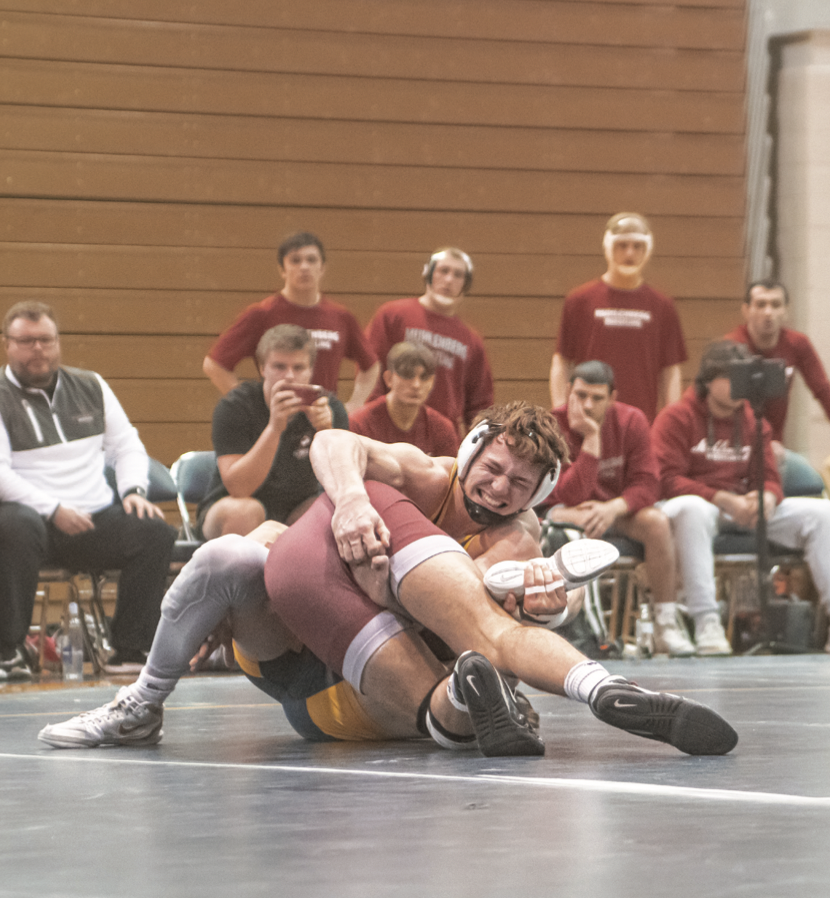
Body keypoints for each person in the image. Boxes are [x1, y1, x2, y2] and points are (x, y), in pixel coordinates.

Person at [267, 401, 737, 755]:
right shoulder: (425, 475)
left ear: (539, 495)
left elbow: (460, 611)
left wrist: (546, 608)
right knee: (258, 548)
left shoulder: (517, 534)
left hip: (377, 668)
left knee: (489, 638)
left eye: (518, 486)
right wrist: (352, 500)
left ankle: (489, 697)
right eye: (493, 470)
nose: (497, 490)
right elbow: (332, 441)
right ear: (469, 455)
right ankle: (586, 685)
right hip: (325, 649)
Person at [0, 301, 177, 679]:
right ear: (7, 344)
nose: (38, 350)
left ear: (57, 342)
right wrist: (53, 509)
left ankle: (129, 648)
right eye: (26, 341)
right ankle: (7, 651)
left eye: (46, 340)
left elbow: (126, 446)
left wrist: (133, 491)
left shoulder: (91, 385)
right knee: (15, 525)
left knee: (154, 532)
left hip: (92, 518)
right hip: (33, 522)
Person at [652, 341, 830, 655]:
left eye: (745, 377)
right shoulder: (676, 417)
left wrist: (767, 498)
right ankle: (706, 620)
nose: (741, 385)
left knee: (822, 513)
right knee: (693, 509)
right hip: (698, 506)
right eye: (734, 377)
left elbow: (772, 477)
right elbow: (666, 481)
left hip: (743, 508)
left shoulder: (754, 420)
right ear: (709, 379)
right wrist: (720, 498)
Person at [543, 361, 694, 656]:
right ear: (568, 392)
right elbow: (568, 493)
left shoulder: (632, 421)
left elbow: (648, 483)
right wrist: (591, 439)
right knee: (569, 523)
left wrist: (614, 508)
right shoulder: (552, 425)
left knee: (657, 522)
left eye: (597, 398)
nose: (587, 405)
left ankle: (666, 625)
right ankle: (581, 632)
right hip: (573, 513)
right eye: (580, 395)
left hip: (616, 511)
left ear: (612, 398)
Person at [196, 324, 348, 540]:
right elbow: (239, 488)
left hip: (296, 510)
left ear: (311, 370)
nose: (289, 376)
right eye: (279, 366)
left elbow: (344, 483)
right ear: (262, 368)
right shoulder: (235, 406)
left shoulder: (329, 408)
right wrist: (275, 428)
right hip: (231, 506)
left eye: (298, 368)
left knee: (330, 510)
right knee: (245, 511)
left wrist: (326, 431)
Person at [203, 231, 379, 414]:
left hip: (323, 423)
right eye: (295, 260)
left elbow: (371, 366)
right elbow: (214, 365)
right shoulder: (262, 314)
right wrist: (250, 407)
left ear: (322, 268)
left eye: (311, 260)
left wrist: (354, 406)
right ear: (282, 270)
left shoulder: (341, 317)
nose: (304, 267)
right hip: (278, 423)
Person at [550, 212, 688, 423]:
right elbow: (561, 362)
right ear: (608, 247)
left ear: (647, 250)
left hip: (641, 424)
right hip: (586, 421)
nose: (629, 253)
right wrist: (560, 412)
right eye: (622, 245)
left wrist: (670, 421)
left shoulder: (662, 306)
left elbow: (670, 371)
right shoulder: (579, 300)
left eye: (637, 246)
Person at [364, 248, 493, 436]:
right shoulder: (393, 315)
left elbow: (480, 404)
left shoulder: (472, 340)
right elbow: (372, 370)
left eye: (458, 275)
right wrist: (374, 420)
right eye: (443, 271)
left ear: (466, 284)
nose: (449, 280)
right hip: (389, 429)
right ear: (429, 273)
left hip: (441, 438)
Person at [724, 279, 830, 455]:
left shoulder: (797, 344)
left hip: (775, 447)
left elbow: (823, 390)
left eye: (775, 305)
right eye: (760, 305)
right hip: (735, 444)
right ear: (746, 310)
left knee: (812, 481)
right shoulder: (731, 346)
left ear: (785, 311)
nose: (768, 312)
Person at [348, 342, 460, 457]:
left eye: (424, 377)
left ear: (432, 382)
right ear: (388, 379)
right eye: (407, 375)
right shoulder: (359, 424)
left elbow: (450, 473)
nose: (416, 385)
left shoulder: (442, 428)